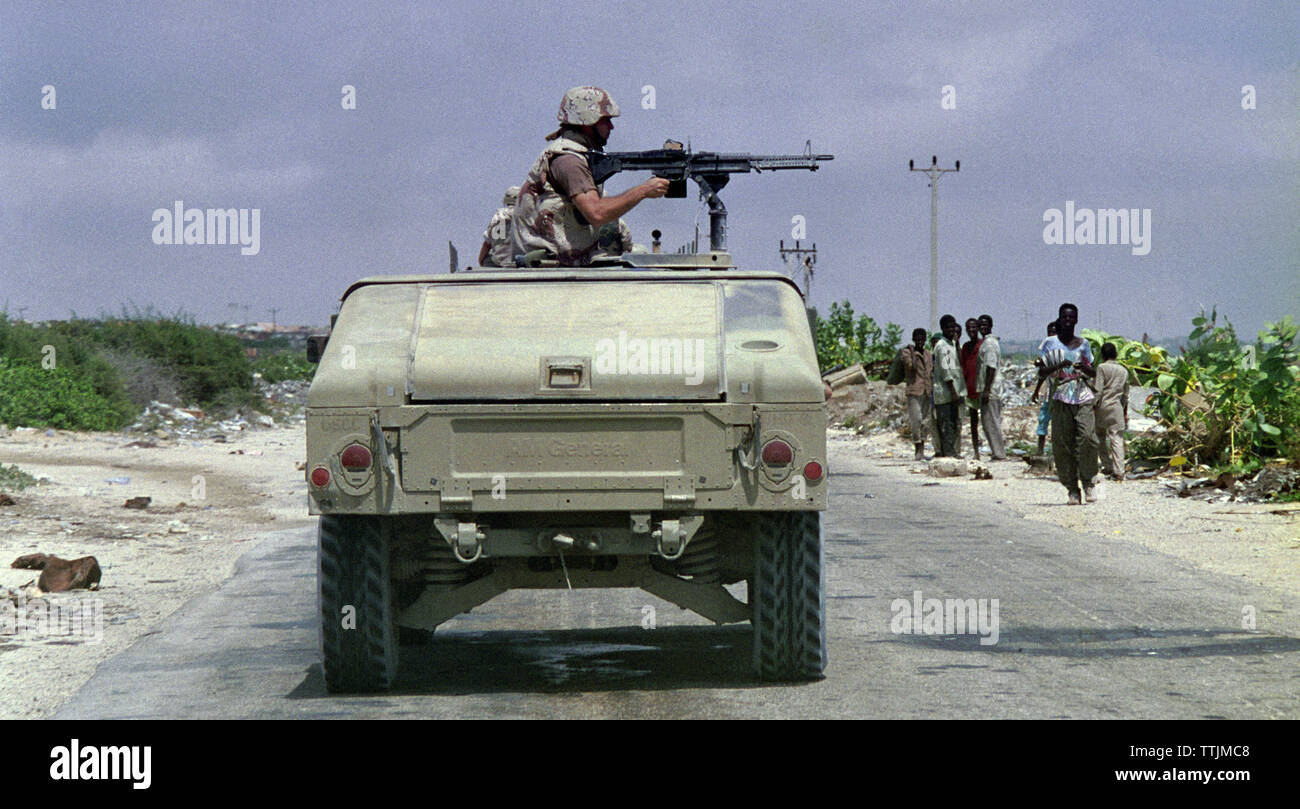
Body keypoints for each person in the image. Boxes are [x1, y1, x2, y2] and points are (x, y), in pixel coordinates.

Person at [510, 86, 669, 266]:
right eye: (605, 120)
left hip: (561, 264)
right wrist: (644, 190)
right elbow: (597, 213)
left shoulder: (573, 154)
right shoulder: (569, 161)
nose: (611, 126)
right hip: (551, 267)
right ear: (587, 121)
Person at [1039, 303, 1098, 505]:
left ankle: (1089, 481)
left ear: (1076, 320)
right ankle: (1072, 489)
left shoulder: (1084, 344)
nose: (1068, 321)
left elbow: (1093, 371)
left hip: (1081, 394)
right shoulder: (1049, 343)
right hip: (1060, 395)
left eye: (1071, 318)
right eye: (1064, 317)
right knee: (1063, 444)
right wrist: (1059, 365)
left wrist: (1084, 368)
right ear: (1059, 318)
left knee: (1088, 437)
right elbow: (1042, 372)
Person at [1093, 342, 1130, 481]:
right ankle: (1119, 471)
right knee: (1117, 439)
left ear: (1102, 355)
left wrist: (1093, 405)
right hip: (1117, 407)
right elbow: (1126, 395)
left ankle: (1107, 466)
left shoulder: (1102, 367)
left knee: (1100, 437)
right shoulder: (1124, 370)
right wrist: (1124, 411)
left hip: (1103, 406)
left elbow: (1098, 389)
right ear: (1115, 354)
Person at [932, 315, 965, 458]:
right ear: (943, 328)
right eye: (949, 327)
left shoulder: (951, 345)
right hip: (946, 393)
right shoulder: (943, 346)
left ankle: (951, 453)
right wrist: (953, 391)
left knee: (952, 423)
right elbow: (947, 372)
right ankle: (949, 455)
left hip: (952, 392)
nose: (952, 329)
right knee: (947, 425)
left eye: (954, 326)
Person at [976, 314, 1007, 460]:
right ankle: (997, 452)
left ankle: (999, 453)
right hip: (990, 388)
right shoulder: (987, 342)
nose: (982, 327)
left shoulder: (989, 344)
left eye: (985, 324)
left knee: (992, 422)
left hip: (991, 389)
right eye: (980, 325)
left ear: (990, 325)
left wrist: (986, 389)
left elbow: (991, 367)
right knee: (989, 421)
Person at [900, 327, 933, 461]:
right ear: (913, 339)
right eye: (917, 338)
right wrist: (913, 352)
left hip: (926, 391)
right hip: (914, 390)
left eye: (922, 338)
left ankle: (922, 449)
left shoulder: (928, 354)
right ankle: (917, 449)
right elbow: (911, 367)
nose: (920, 341)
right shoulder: (906, 353)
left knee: (926, 421)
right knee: (916, 420)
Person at [1030, 320, 1058, 455]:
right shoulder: (1046, 350)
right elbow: (1042, 373)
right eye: (1050, 332)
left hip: (1063, 391)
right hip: (1050, 390)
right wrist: (1036, 391)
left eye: (1054, 332)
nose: (1051, 335)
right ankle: (1040, 451)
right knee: (1043, 419)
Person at [478, 186, 520, 267]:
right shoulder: (526, 216)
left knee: (487, 260)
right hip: (520, 261)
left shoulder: (498, 217)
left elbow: (487, 244)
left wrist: (481, 261)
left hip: (499, 262)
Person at [960, 318, 983, 459]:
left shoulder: (983, 345)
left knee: (988, 422)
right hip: (970, 389)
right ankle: (976, 452)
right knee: (973, 423)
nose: (971, 331)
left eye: (974, 328)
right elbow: (963, 368)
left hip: (982, 388)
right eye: (969, 328)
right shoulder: (965, 347)